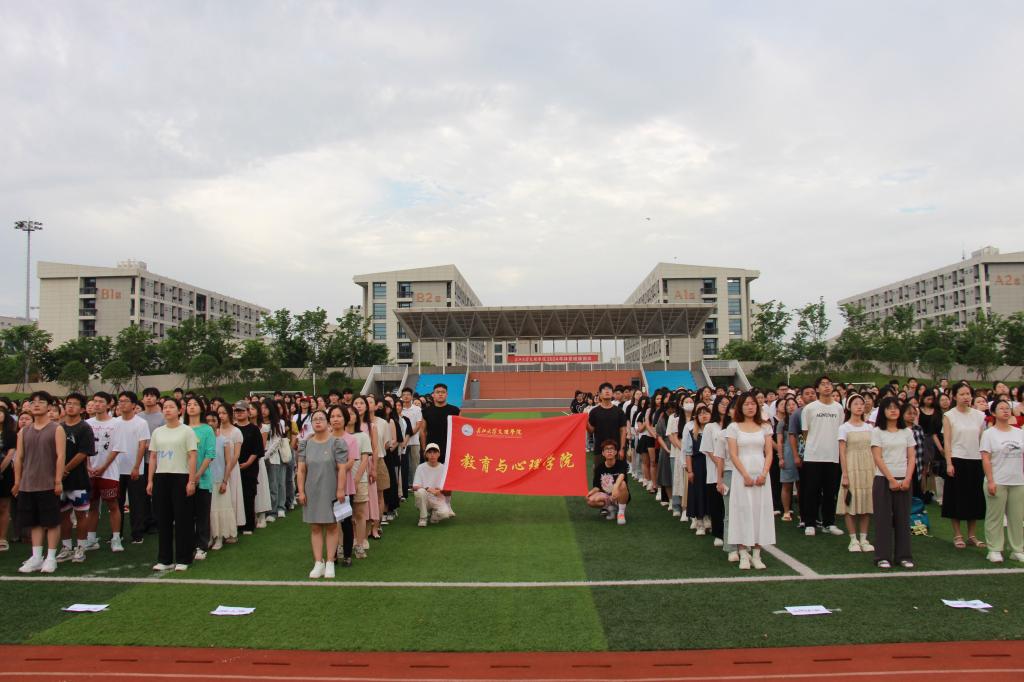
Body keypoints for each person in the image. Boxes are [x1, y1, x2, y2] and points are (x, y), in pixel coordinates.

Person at [13, 392, 66, 573]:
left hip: (48, 483)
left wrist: (58, 480)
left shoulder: (56, 429)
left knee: (51, 522)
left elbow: (60, 456)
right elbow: (19, 458)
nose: (36, 405)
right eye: (33, 402)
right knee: (34, 522)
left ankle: (51, 557)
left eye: (41, 402)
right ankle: (36, 557)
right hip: (28, 484)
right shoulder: (24, 431)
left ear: (49, 406)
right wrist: (17, 481)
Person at [724, 392, 775, 570]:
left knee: (760, 511)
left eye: (753, 403)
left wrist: (764, 474)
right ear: (740, 407)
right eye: (746, 404)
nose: (750, 407)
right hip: (741, 475)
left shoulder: (765, 427)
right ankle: (743, 554)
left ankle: (757, 554)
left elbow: (769, 452)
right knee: (742, 511)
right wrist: (745, 475)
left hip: (761, 473)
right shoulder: (733, 427)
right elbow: (733, 454)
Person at [147, 399, 198, 571]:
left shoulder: (187, 431)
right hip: (161, 477)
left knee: (183, 519)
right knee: (163, 519)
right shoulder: (157, 432)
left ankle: (184, 558)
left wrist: (191, 480)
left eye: (171, 407)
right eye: (165, 407)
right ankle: (165, 559)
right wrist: (150, 480)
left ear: (179, 410)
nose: (167, 410)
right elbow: (153, 457)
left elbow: (192, 456)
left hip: (181, 477)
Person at [297, 410, 348, 579]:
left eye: (321, 419)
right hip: (312, 489)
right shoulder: (305, 444)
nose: (318, 422)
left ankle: (330, 561)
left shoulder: (337, 443)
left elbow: (342, 468)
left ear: (327, 422)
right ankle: (318, 562)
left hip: (331, 488)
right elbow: (301, 470)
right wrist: (301, 491)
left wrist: (340, 489)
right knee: (315, 526)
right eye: (315, 419)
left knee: (332, 526)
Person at [870, 397, 916, 569]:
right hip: (883, 480)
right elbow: (877, 457)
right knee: (883, 519)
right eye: (889, 408)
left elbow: (911, 457)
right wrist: (890, 479)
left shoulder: (907, 432)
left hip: (904, 479)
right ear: (883, 411)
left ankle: (903, 556)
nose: (893, 410)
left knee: (903, 519)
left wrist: (907, 478)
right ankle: (882, 556)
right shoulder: (877, 432)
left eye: (896, 407)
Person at [942, 382, 987, 549]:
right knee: (956, 498)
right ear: (954, 396)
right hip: (957, 460)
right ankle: (958, 535)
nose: (966, 397)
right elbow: (947, 441)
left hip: (975, 460)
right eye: (962, 394)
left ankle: (972, 535)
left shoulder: (979, 416)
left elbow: (983, 439)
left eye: (968, 394)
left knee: (974, 498)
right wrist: (949, 463)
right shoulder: (949, 415)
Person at [799, 376, 846, 537]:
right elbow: (805, 432)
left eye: (829, 384)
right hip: (813, 456)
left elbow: (841, 431)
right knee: (811, 491)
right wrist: (815, 445)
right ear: (817, 389)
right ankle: (810, 523)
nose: (827, 386)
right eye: (823, 384)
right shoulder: (810, 408)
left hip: (832, 456)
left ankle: (829, 523)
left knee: (830, 492)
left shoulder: (838, 408)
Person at [979, 399, 1024, 563]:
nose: (1006, 411)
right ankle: (994, 549)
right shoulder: (989, 434)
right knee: (995, 517)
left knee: (1017, 518)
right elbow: (985, 458)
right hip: (997, 480)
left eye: (1007, 408)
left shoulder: (1019, 432)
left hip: (1017, 481)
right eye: (1001, 408)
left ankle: (1017, 549)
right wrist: (991, 481)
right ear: (993, 413)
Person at [55, 393, 94, 563]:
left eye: (75, 404)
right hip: (60, 480)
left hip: (78, 479)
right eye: (68, 403)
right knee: (63, 515)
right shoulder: (59, 427)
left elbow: (83, 453)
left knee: (80, 514)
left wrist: (66, 469)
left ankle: (81, 547)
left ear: (82, 409)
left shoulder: (84, 428)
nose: (70, 406)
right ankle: (66, 547)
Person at [111, 391, 151, 546]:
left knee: (136, 503)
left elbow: (142, 446)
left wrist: (136, 466)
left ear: (134, 404)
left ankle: (137, 533)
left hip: (135, 469)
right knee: (117, 503)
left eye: (125, 401)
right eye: (120, 401)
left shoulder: (141, 423)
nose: (122, 404)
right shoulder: (114, 422)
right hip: (116, 469)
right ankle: (117, 534)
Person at [85, 392, 123, 552]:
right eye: (95, 401)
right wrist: (88, 466)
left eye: (101, 402)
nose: (97, 404)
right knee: (92, 505)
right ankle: (91, 539)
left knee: (112, 505)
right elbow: (84, 449)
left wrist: (103, 467)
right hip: (90, 471)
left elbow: (116, 448)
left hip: (109, 472)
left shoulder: (117, 423)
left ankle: (116, 538)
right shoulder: (87, 423)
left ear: (109, 404)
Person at [837, 394, 874, 552]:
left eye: (861, 404)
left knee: (866, 503)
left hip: (868, 467)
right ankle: (853, 539)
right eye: (856, 404)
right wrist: (845, 474)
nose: (859, 406)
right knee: (850, 504)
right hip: (851, 466)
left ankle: (864, 538)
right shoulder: (844, 428)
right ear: (849, 407)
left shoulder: (870, 427)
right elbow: (842, 452)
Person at [183, 397, 216, 561]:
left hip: (202, 479)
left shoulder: (207, 429)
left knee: (202, 514)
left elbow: (210, 454)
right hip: (182, 478)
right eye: (189, 404)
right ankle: (187, 544)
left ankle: (202, 546)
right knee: (186, 514)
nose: (191, 407)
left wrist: (196, 476)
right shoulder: (181, 428)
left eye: (195, 404)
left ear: (201, 408)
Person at [210, 405, 243, 549]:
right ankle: (213, 535)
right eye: (219, 413)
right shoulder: (210, 435)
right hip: (213, 474)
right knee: (214, 506)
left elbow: (234, 456)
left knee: (230, 501)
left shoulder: (234, 433)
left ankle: (228, 533)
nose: (221, 416)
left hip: (230, 470)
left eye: (224, 413)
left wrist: (226, 473)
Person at [233, 400, 264, 536]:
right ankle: (236, 524)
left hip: (250, 467)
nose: (239, 413)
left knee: (248, 495)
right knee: (235, 495)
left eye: (242, 411)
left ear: (248, 412)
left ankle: (249, 524)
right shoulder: (233, 429)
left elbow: (258, 450)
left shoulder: (254, 429)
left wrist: (248, 463)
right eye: (237, 411)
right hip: (233, 467)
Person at [586, 439, 630, 524]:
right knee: (590, 500)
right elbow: (597, 486)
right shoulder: (599, 468)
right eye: (606, 449)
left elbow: (622, 475)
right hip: (607, 496)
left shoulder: (621, 464)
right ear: (603, 453)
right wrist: (590, 493)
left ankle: (621, 512)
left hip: (619, 494)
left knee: (622, 484)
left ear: (615, 452)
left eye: (612, 449)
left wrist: (615, 488)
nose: (609, 451)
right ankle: (610, 508)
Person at [412, 443, 453, 526]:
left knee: (445, 514)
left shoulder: (444, 468)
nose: (432, 455)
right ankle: (423, 518)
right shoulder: (420, 467)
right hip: (425, 497)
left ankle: (434, 513)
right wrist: (428, 489)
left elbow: (449, 490)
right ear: (426, 454)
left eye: (435, 452)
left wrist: (440, 491)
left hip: (438, 498)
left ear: (439, 454)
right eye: (430, 452)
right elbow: (415, 486)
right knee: (420, 492)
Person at [420, 383, 460, 463]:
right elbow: (422, 431)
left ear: (447, 394)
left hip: (449, 449)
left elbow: (459, 431)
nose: (440, 394)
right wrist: (424, 449)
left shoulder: (455, 411)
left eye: (443, 392)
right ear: (433, 395)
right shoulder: (426, 411)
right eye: (438, 392)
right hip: (431, 449)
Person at [0, 401, 21, 552]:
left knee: (3, 506)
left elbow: (11, 453)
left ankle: (2, 538)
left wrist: (1, 469)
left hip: (5, 473)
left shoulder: (11, 434)